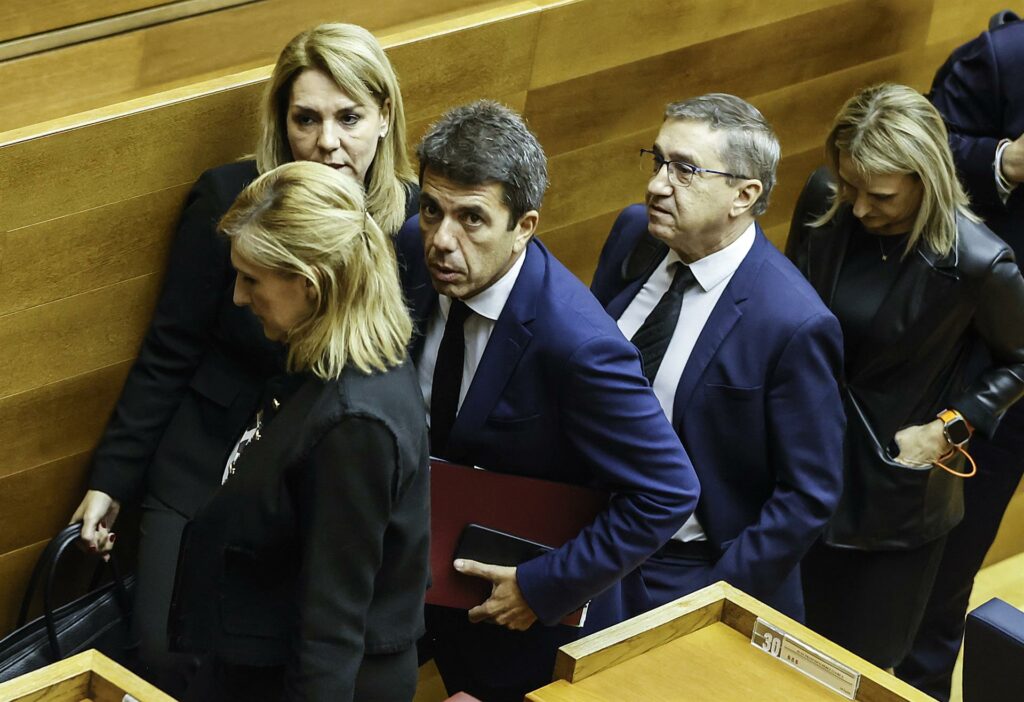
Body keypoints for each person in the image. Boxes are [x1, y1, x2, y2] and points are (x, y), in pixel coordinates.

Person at [67, 22, 417, 694]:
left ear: (383, 117)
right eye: (306, 119)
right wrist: (112, 480)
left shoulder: (406, 221)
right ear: (282, 122)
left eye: (348, 118)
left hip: (310, 490)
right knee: (165, 651)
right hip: (205, 457)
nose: (327, 142)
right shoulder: (234, 203)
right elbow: (169, 351)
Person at [396, 100, 700, 701]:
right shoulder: (413, 248)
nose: (442, 240)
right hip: (421, 584)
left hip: (521, 627)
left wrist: (542, 588)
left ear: (524, 227)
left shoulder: (578, 345)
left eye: (472, 218)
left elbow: (668, 491)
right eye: (432, 209)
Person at [168, 161, 429, 702]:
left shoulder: (354, 424)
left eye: (251, 279)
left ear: (309, 285)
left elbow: (329, 630)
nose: (238, 297)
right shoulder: (324, 359)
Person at [787, 83, 1024, 671]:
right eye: (850, 184)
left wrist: (947, 429)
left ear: (926, 180)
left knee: (849, 671)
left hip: (889, 499)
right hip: (796, 466)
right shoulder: (826, 202)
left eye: (881, 195)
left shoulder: (978, 261)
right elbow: (785, 306)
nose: (858, 207)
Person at [589, 93, 845, 621]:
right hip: (583, 536)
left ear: (743, 195)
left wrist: (712, 597)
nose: (657, 185)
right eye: (658, 161)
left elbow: (808, 494)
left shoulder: (793, 322)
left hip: (681, 571)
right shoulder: (634, 232)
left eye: (684, 170)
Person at [898, 17, 1024, 699]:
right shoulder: (1004, 56)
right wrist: (1006, 162)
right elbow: (919, 149)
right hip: (986, 371)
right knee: (942, 572)